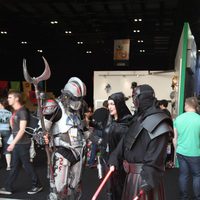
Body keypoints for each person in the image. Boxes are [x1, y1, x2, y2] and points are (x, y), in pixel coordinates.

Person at [108, 84, 173, 200]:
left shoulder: (159, 121)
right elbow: (125, 142)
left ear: (143, 99)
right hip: (132, 176)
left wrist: (147, 179)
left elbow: (156, 156)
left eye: (135, 98)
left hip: (144, 177)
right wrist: (115, 157)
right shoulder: (138, 118)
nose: (134, 102)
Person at [35, 77, 88, 200]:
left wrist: (93, 137)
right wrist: (42, 137)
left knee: (75, 189)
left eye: (80, 99)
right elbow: (40, 129)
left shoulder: (79, 110)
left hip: (79, 153)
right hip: (62, 153)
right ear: (66, 95)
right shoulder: (55, 107)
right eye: (75, 99)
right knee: (58, 192)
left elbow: (83, 129)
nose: (78, 102)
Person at [0, 90, 43, 195]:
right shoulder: (15, 111)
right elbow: (14, 127)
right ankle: (8, 187)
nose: (8, 99)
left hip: (22, 143)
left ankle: (37, 185)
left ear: (16, 98)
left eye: (10, 97)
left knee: (26, 165)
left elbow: (22, 129)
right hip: (18, 142)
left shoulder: (22, 111)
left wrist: (13, 143)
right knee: (15, 166)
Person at [99, 93, 132, 200]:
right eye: (108, 104)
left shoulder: (127, 122)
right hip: (108, 161)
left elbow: (125, 146)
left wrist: (116, 160)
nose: (109, 107)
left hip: (120, 165)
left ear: (119, 104)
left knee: (119, 191)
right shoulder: (110, 120)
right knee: (110, 191)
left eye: (112, 104)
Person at [173, 96, 200, 200]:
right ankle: (197, 197)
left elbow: (175, 139)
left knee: (184, 175)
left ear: (187, 105)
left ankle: (184, 197)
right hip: (195, 153)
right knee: (197, 176)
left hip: (181, 152)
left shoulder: (178, 119)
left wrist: (176, 152)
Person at [87, 100, 109, 168]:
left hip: (96, 130)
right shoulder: (107, 112)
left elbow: (92, 119)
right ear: (107, 106)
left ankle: (91, 163)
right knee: (103, 147)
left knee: (94, 147)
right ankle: (102, 164)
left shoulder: (97, 110)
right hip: (103, 131)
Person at [0, 97, 12, 170]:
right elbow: (11, 125)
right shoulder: (9, 113)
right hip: (7, 130)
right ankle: (8, 166)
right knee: (7, 149)